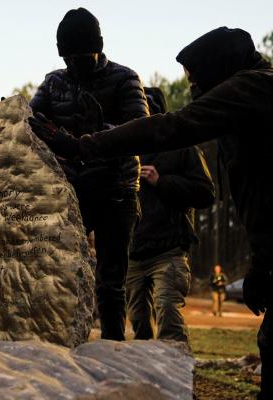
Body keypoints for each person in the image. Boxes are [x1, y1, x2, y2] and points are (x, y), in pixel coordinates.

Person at [30, 26, 272, 399]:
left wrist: (84, 145)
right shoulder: (245, 107)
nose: (193, 91)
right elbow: (263, 200)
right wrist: (261, 263)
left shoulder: (253, 88)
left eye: (196, 81)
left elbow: (172, 127)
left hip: (144, 225)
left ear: (220, 70)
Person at [29, 8, 149, 340]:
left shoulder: (125, 79)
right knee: (61, 273)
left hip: (117, 189)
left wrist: (86, 140)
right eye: (69, 56)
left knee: (111, 281)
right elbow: (30, 118)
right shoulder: (55, 82)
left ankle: (113, 346)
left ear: (98, 48)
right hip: (72, 191)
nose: (76, 62)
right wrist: (10, 116)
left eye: (83, 55)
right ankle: (64, 347)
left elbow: (139, 129)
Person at [125, 87, 215, 342]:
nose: (141, 115)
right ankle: (149, 376)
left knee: (167, 313)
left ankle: (176, 376)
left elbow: (205, 193)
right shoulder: (126, 150)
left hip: (169, 250)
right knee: (138, 322)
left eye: (146, 108)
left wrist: (161, 181)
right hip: (132, 253)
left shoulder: (183, 147)